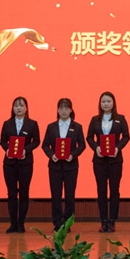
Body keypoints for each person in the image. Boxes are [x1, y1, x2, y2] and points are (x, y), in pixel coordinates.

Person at [86, 91, 130, 233]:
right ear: (100, 103)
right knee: (101, 190)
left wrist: (118, 148)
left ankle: (112, 221)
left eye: (109, 101)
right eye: (103, 101)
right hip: (99, 160)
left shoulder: (120, 119)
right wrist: (96, 147)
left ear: (113, 103)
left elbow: (126, 136)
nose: (106, 104)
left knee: (114, 190)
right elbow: (89, 137)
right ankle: (103, 221)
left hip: (115, 160)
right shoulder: (95, 120)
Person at [42, 98, 86, 232]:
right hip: (55, 166)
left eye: (66, 108)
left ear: (71, 110)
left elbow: (82, 145)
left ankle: (67, 223)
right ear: (57, 110)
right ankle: (57, 223)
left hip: (71, 166)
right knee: (55, 195)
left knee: (69, 195)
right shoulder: (51, 127)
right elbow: (45, 145)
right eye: (61, 108)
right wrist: (51, 155)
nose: (64, 111)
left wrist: (73, 155)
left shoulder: (77, 127)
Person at [0, 96, 41, 233]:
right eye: (16, 106)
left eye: (21, 105)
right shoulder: (7, 124)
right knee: (11, 193)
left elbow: (36, 141)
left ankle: (21, 223)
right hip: (10, 163)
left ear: (26, 108)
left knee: (24, 192)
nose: (19, 108)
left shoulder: (32, 124)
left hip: (25, 163)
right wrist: (7, 149)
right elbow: (2, 141)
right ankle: (13, 223)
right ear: (12, 108)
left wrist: (25, 150)